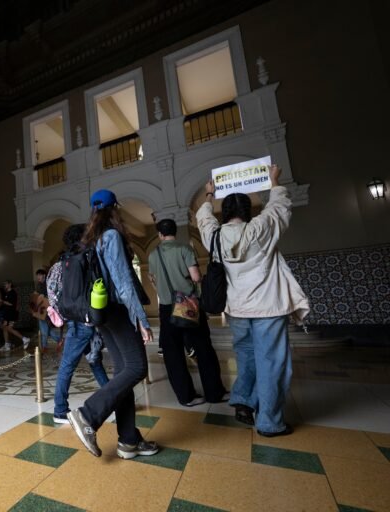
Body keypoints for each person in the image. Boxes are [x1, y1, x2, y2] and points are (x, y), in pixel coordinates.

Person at [196, 164, 309, 437]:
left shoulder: (215, 236)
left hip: (236, 309)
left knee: (246, 356)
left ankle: (244, 400)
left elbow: (203, 218)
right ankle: (269, 422)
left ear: (226, 213)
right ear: (247, 211)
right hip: (267, 307)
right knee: (272, 363)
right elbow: (279, 207)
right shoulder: (261, 227)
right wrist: (273, 181)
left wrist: (209, 195)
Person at [66, 189, 159, 459]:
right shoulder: (112, 236)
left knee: (122, 373)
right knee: (137, 367)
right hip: (117, 311)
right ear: (114, 208)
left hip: (101, 313)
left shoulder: (89, 240)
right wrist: (141, 319)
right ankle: (88, 414)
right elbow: (123, 283)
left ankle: (128, 440)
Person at [147, 218, 228, 407]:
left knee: (172, 353)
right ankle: (214, 393)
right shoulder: (184, 249)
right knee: (203, 349)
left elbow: (153, 279)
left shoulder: (153, 255)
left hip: (167, 308)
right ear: (175, 231)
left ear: (160, 234)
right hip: (189, 304)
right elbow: (196, 277)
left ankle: (187, 397)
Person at [49, 224, 110, 424]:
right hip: (89, 320)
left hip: (75, 321)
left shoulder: (61, 264)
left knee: (87, 362)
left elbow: (52, 293)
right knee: (83, 363)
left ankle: (114, 399)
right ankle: (59, 411)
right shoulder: (88, 257)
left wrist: (65, 314)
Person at [32, 269, 63, 353]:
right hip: (42, 310)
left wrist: (41, 296)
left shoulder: (46, 284)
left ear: (44, 275)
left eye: (39, 275)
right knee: (47, 329)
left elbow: (47, 296)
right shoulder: (40, 284)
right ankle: (59, 340)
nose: (38, 277)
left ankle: (44, 347)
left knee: (44, 329)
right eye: (37, 275)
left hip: (45, 311)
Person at [0, 280, 30, 352]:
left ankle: (24, 339)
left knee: (9, 328)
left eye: (5, 284)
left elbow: (11, 304)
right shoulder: (7, 293)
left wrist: (1, 301)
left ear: (10, 284)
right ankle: (7, 344)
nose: (4, 285)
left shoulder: (12, 293)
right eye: (4, 284)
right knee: (4, 328)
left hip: (11, 314)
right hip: (7, 313)